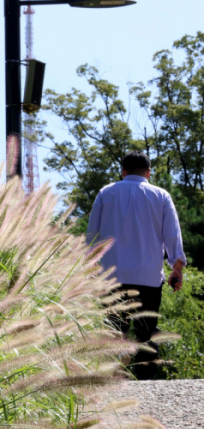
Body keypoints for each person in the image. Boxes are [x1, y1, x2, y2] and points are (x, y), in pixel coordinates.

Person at [86, 150, 186, 380]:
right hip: (148, 277)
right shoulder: (161, 196)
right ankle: (146, 382)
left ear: (123, 171)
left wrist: (89, 267)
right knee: (147, 333)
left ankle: (110, 379)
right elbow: (172, 235)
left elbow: (92, 235)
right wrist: (177, 268)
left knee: (113, 331)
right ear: (148, 173)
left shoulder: (106, 193)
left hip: (112, 276)